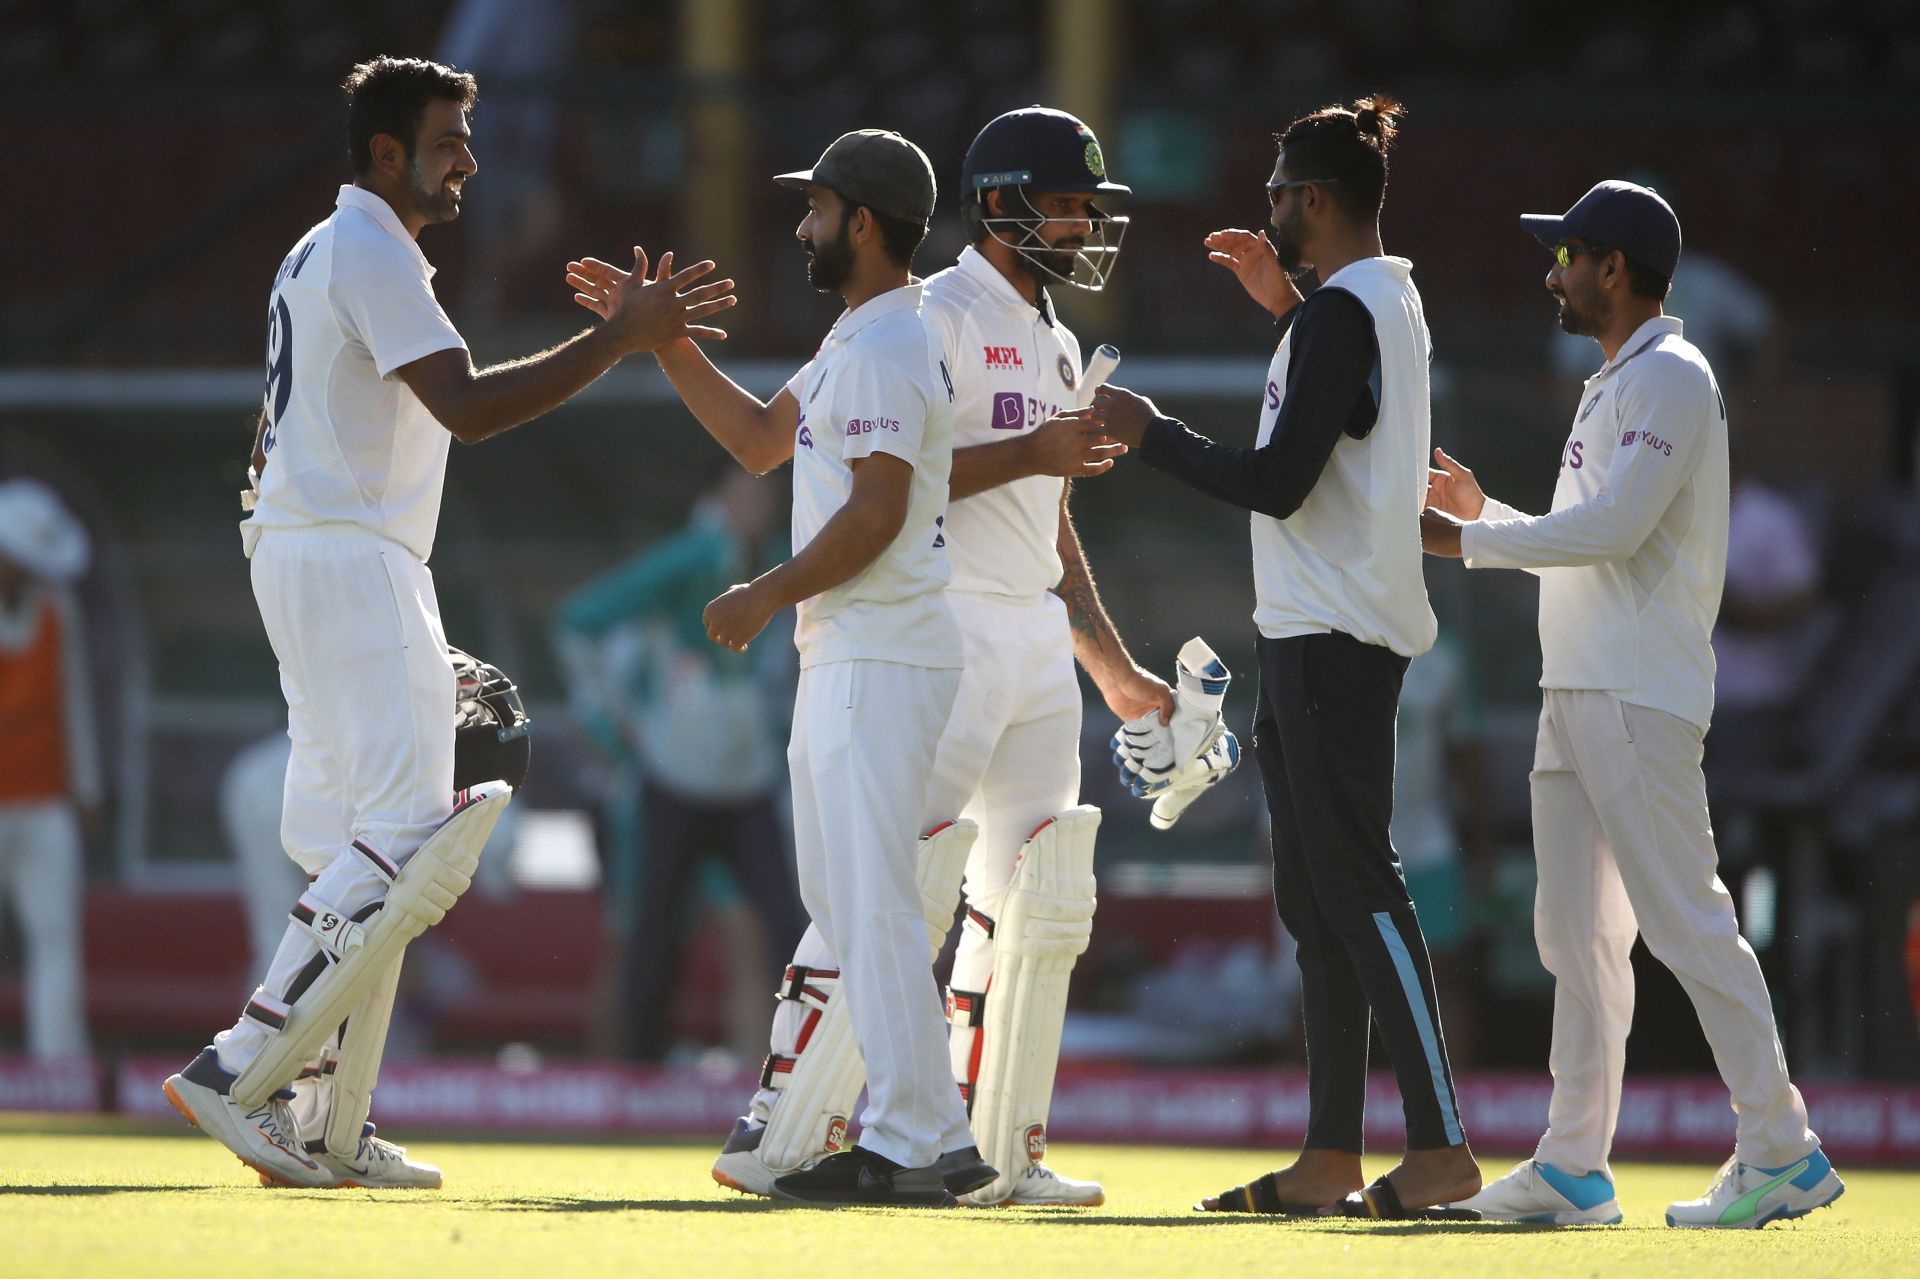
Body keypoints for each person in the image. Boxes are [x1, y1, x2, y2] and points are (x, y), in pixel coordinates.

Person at [160, 54, 734, 1191]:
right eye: (447, 141)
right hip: (351, 553)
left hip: (307, 551)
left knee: (346, 846)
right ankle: (238, 1065)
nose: (469, 159)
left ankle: (324, 1121)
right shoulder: (369, 248)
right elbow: (466, 408)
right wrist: (621, 339)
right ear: (385, 154)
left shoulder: (329, 247)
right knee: (414, 833)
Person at [703, 106, 1173, 1207]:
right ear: (1001, 202)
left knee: (1032, 902)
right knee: (888, 888)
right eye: (1062, 203)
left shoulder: (1056, 337)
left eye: (1085, 207)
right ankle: (787, 1119)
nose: (1079, 224)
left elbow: (1050, 521)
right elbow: (910, 483)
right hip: (938, 621)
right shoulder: (937, 313)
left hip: (1027, 637)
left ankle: (1001, 1146)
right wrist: (1032, 449)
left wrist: (1107, 664)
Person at [569, 128, 992, 1207]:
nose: (801, 225)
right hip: (853, 649)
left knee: (872, 897)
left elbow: (881, 510)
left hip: (880, 647)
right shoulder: (858, 336)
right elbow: (762, 440)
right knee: (847, 899)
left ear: (862, 222)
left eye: (817, 208)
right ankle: (932, 1132)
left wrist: (767, 591)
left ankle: (909, 1139)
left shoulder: (891, 343)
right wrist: (660, 343)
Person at [1421, 179, 1843, 1229]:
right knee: (1572, 933)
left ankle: (1781, 1144)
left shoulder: (1675, 376)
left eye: (1566, 255)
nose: (1552, 272)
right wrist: (1492, 515)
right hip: (1578, 688)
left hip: (1638, 692)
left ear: (1614, 268)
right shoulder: (1615, 379)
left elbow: (1610, 533)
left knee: (1687, 919)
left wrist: (1467, 540)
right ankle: (1573, 1165)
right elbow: (1589, 544)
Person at [1091, 95, 1482, 1220]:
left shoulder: (1341, 317)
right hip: (1324, 638)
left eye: (1278, 196)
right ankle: (1329, 1152)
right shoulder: (1379, 300)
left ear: (1313, 199)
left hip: (1335, 644)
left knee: (1358, 889)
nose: (1266, 215)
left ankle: (1442, 1145)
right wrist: (1290, 302)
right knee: (1317, 903)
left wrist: (1146, 429)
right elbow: (1341, 427)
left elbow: (1277, 481)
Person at [552, 467, 806, 1062]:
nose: (755, 506)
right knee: (646, 934)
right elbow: (580, 621)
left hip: (748, 781)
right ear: (716, 500)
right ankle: (632, 1076)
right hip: (668, 781)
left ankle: (785, 1078)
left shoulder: (776, 561)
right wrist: (616, 738)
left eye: (764, 494)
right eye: (742, 492)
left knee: (771, 929)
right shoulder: (687, 561)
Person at [0, 479, 98, 1061]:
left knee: (55, 937)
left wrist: (86, 788)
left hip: (45, 802)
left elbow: (75, 700)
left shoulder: (59, 611)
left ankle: (59, 1068)